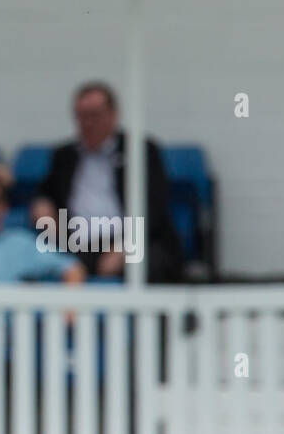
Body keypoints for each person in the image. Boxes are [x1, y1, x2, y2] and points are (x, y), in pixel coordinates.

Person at [29, 81, 181, 283]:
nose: (88, 123)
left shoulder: (140, 150)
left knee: (150, 264)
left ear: (113, 115)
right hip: (79, 243)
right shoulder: (64, 156)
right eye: (82, 116)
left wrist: (124, 246)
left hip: (130, 240)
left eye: (94, 116)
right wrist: (42, 205)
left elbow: (153, 208)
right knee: (40, 262)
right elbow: (46, 192)